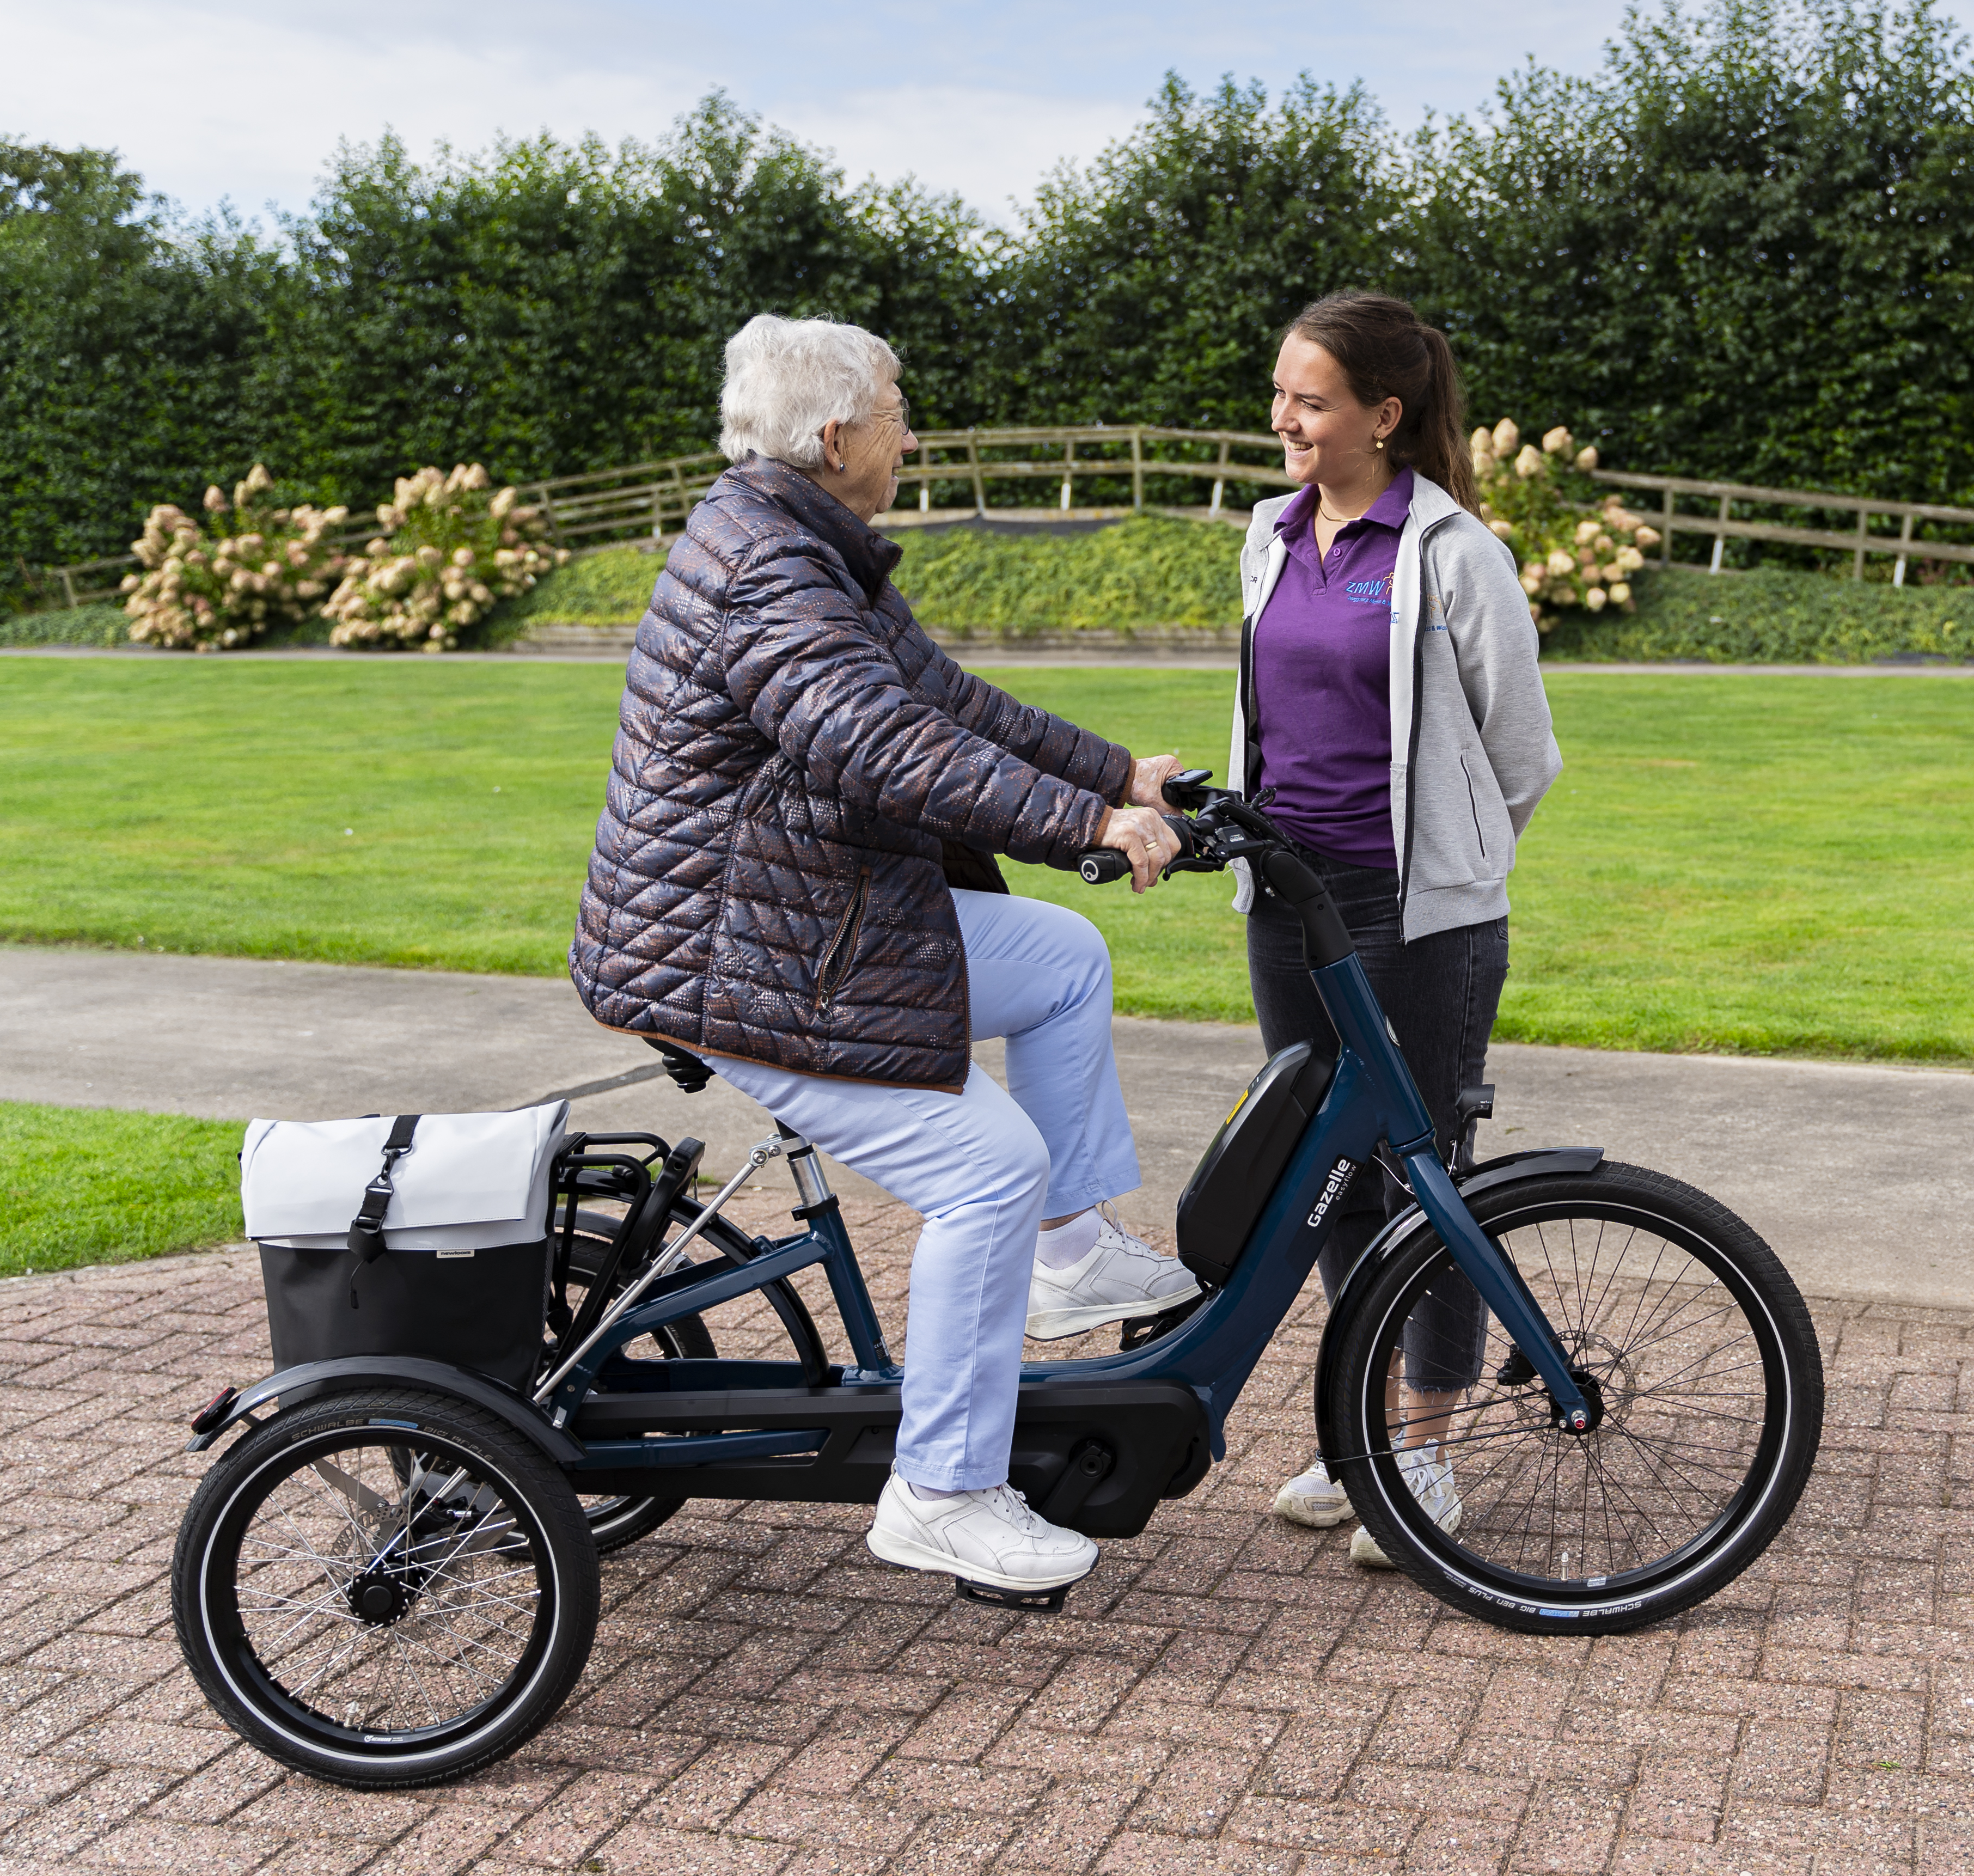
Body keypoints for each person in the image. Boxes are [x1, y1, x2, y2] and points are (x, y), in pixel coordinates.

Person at [570, 313, 1201, 1599]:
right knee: (988, 1167)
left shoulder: (802, 542)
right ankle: (944, 1488)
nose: (912, 432)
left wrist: (1112, 768)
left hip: (795, 918)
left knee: (1066, 959)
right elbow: (881, 744)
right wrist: (1086, 821)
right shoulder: (770, 571)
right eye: (901, 410)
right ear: (840, 434)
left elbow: (944, 699)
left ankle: (1070, 1255)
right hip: (736, 956)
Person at [1219, 290, 1560, 1567]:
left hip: (1419, 921)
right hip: (1287, 908)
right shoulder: (1268, 536)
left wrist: (1454, 867)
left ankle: (1420, 1450)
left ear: (1384, 416)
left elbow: (1522, 754)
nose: (1284, 420)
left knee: (1427, 1180)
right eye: (1281, 394)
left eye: (1310, 400)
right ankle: (1367, 1429)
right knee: (1323, 1179)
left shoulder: (1454, 551)